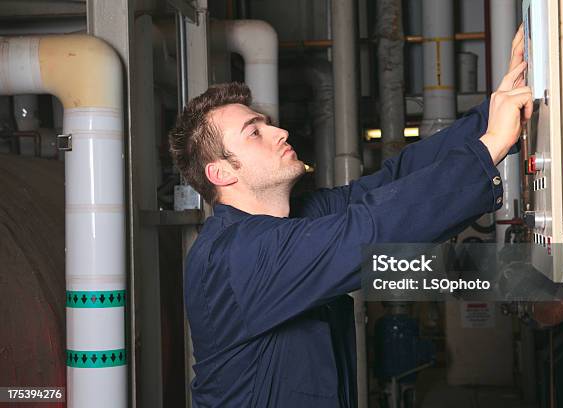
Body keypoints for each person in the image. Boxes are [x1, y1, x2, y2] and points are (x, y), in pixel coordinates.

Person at [168, 27, 532, 408]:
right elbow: (372, 229)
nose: (279, 131)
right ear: (222, 173)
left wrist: (494, 112)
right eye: (254, 132)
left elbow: (395, 181)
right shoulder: (234, 257)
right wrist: (491, 145)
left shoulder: (292, 220)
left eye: (266, 121)